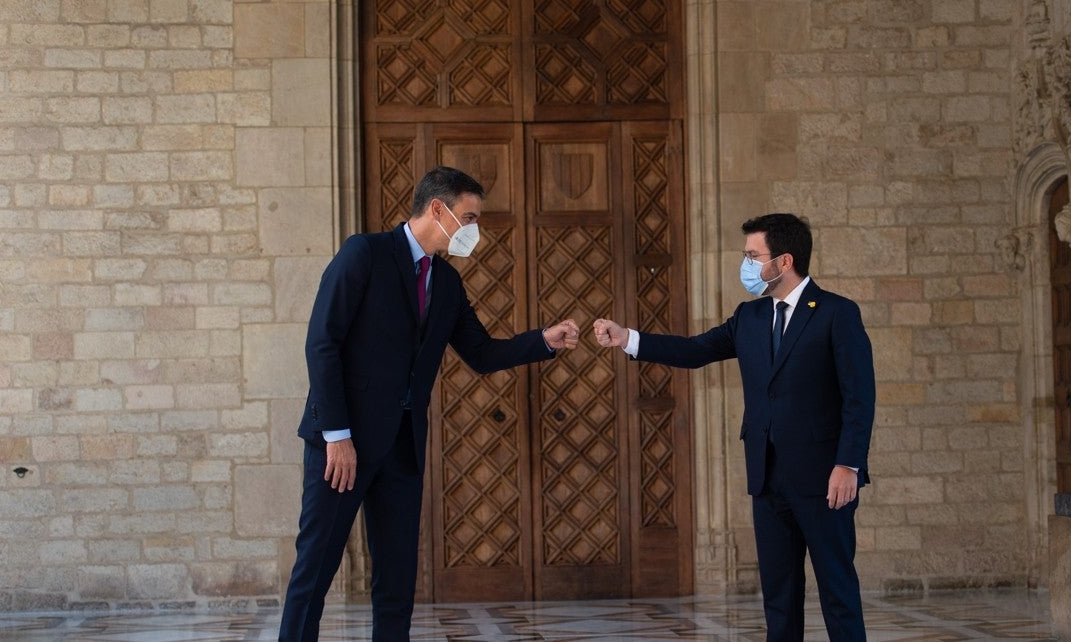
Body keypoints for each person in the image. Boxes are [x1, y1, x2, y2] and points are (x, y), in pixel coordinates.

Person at [279, 166, 581, 641]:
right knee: (314, 571)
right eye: (469, 217)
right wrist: (337, 436)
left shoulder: (447, 283)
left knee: (397, 582)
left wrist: (544, 339)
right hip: (342, 446)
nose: (473, 230)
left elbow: (482, 353)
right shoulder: (365, 254)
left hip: (402, 451)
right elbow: (322, 343)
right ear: (437, 209)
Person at [594, 213, 874, 642]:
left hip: (825, 479)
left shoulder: (836, 313)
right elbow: (694, 350)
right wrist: (628, 337)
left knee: (836, 589)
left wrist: (848, 466)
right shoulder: (750, 317)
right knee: (778, 596)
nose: (745, 264)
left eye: (752, 255)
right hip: (767, 476)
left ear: (783, 261)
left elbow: (859, 397)